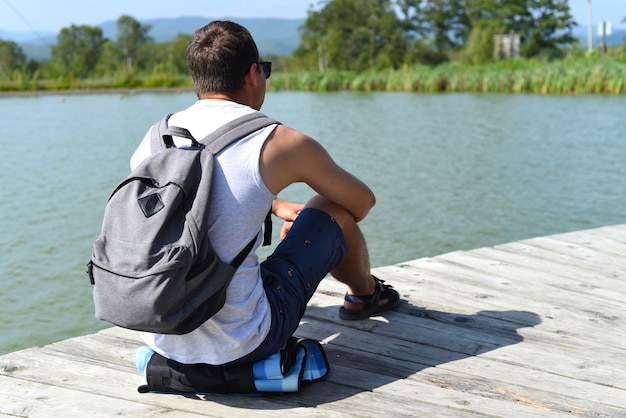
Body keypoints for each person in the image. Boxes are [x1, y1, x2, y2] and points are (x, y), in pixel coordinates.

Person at [129, 20, 400, 368]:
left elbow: (188, 198)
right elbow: (361, 203)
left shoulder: (157, 138)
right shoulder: (276, 140)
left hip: (162, 335)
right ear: (253, 74)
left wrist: (271, 204)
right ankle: (365, 297)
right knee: (330, 206)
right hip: (245, 342)